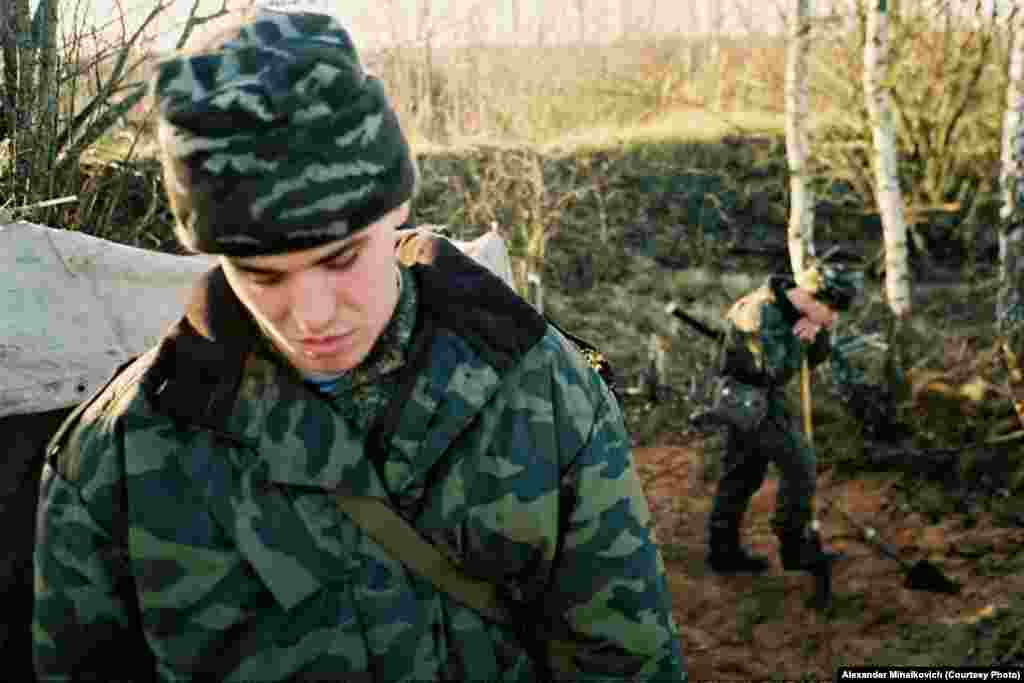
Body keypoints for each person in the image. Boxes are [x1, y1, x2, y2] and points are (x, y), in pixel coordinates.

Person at [32, 9, 685, 681]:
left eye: (341, 259)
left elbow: (628, 662)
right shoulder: (114, 463)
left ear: (396, 208)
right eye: (262, 274)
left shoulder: (541, 391)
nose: (312, 315)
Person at [703, 256, 863, 575]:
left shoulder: (796, 308)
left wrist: (815, 331)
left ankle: (723, 552)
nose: (832, 319)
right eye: (830, 311)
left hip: (760, 396)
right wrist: (799, 334)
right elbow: (776, 368)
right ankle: (794, 548)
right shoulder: (760, 313)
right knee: (800, 467)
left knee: (743, 473)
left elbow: (813, 357)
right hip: (745, 398)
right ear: (812, 297)